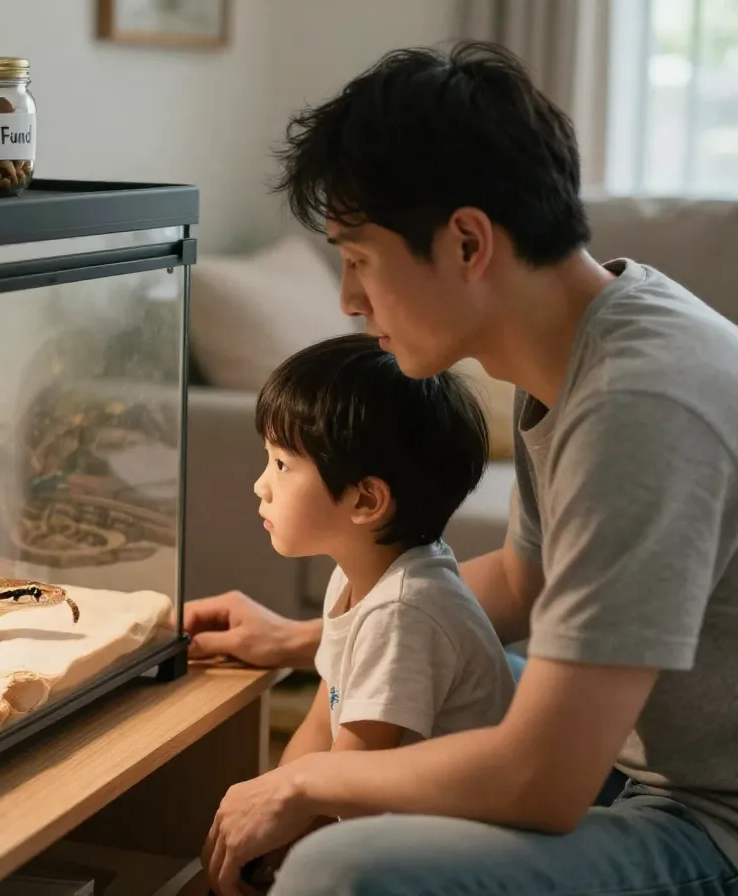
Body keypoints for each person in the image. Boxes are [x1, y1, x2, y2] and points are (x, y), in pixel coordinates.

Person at [191, 40, 738, 896]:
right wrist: (309, 639)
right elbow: (525, 582)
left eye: (360, 258)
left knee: (341, 869)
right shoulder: (584, 346)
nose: (347, 298)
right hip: (637, 755)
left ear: (467, 243)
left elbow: (545, 780)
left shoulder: (640, 405)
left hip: (711, 816)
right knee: (385, 667)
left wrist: (300, 780)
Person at [236, 332, 514, 890]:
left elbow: (350, 786)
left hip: (447, 858)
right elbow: (320, 728)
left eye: (282, 465)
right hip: (396, 829)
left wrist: (278, 863)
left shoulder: (404, 613)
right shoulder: (362, 575)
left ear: (366, 500)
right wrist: (264, 830)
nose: (260, 484)